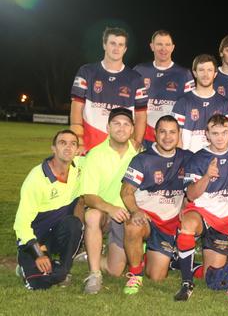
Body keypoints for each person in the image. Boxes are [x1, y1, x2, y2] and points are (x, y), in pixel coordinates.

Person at [173, 114, 228, 301]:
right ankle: (187, 283)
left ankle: (184, 262)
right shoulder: (197, 159)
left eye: (224, 132)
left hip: (225, 221)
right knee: (187, 225)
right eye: (215, 133)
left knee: (212, 278)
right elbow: (191, 195)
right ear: (207, 134)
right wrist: (207, 177)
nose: (220, 137)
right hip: (203, 215)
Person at [120, 115, 193, 294]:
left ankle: (158, 256)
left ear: (178, 134)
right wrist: (135, 211)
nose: (167, 137)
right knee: (132, 227)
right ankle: (135, 275)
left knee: (157, 276)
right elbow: (126, 192)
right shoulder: (143, 159)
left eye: (172, 132)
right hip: (147, 218)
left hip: (168, 225)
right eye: (162, 132)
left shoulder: (188, 158)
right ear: (155, 133)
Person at [13, 130, 84, 290]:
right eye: (62, 143)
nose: (68, 147)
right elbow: (21, 224)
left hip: (58, 232)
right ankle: (29, 263)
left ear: (77, 149)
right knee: (38, 284)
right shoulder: (36, 179)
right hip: (35, 238)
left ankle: (64, 269)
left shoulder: (79, 167)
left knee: (74, 224)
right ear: (53, 148)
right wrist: (38, 253)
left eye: (73, 144)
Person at [80, 107, 140, 294]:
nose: (121, 128)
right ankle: (94, 273)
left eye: (126, 124)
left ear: (132, 129)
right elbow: (88, 196)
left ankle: (92, 254)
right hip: (105, 213)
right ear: (108, 127)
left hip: (126, 216)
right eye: (116, 124)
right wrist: (111, 208)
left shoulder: (139, 155)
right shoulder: (95, 154)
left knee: (115, 271)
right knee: (92, 216)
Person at [70, 27, 148, 153]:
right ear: (104, 45)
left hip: (120, 148)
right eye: (112, 43)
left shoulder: (136, 79)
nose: (116, 48)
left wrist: (137, 142)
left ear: (125, 49)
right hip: (89, 145)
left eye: (120, 44)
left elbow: (140, 115)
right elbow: (76, 106)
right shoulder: (86, 72)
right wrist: (77, 138)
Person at [133, 30, 194, 150]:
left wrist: (181, 138)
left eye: (167, 45)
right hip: (144, 136)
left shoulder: (184, 74)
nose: (163, 48)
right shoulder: (139, 71)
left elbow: (190, 109)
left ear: (172, 47)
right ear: (152, 46)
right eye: (159, 44)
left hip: (170, 139)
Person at [172, 54, 228, 152]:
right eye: (201, 70)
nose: (206, 74)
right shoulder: (183, 102)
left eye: (209, 70)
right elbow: (177, 137)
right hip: (189, 160)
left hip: (215, 160)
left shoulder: (225, 104)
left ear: (215, 74)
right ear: (194, 73)